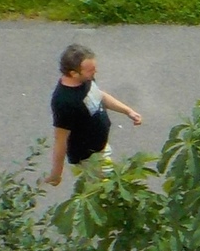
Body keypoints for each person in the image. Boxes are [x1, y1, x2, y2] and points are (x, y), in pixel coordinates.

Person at [45, 42, 143, 187]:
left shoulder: (85, 80)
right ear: (73, 73)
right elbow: (60, 140)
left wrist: (128, 111)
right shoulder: (65, 102)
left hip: (101, 147)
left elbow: (99, 95)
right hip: (91, 157)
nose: (95, 72)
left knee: (106, 186)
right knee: (109, 190)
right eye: (90, 70)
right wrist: (56, 174)